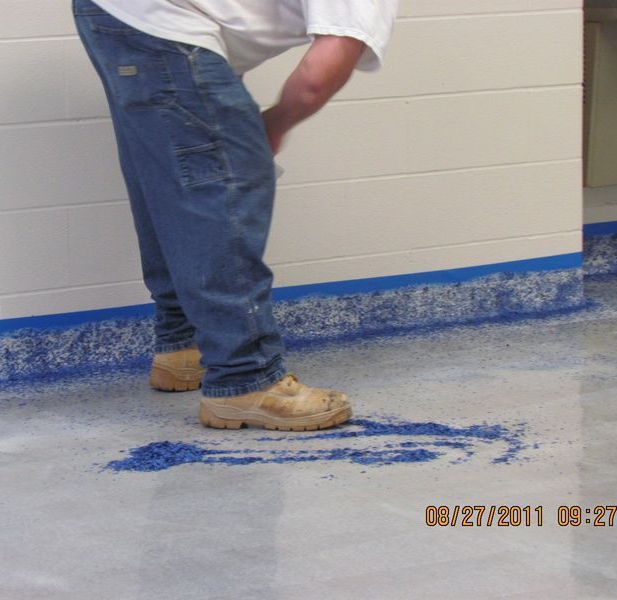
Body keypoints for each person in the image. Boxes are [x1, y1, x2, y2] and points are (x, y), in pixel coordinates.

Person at [72, 0, 398, 431]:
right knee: (224, 185)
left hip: (118, 14)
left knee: (173, 176)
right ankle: (245, 376)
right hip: (163, 22)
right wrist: (274, 126)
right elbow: (320, 76)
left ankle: (183, 346)